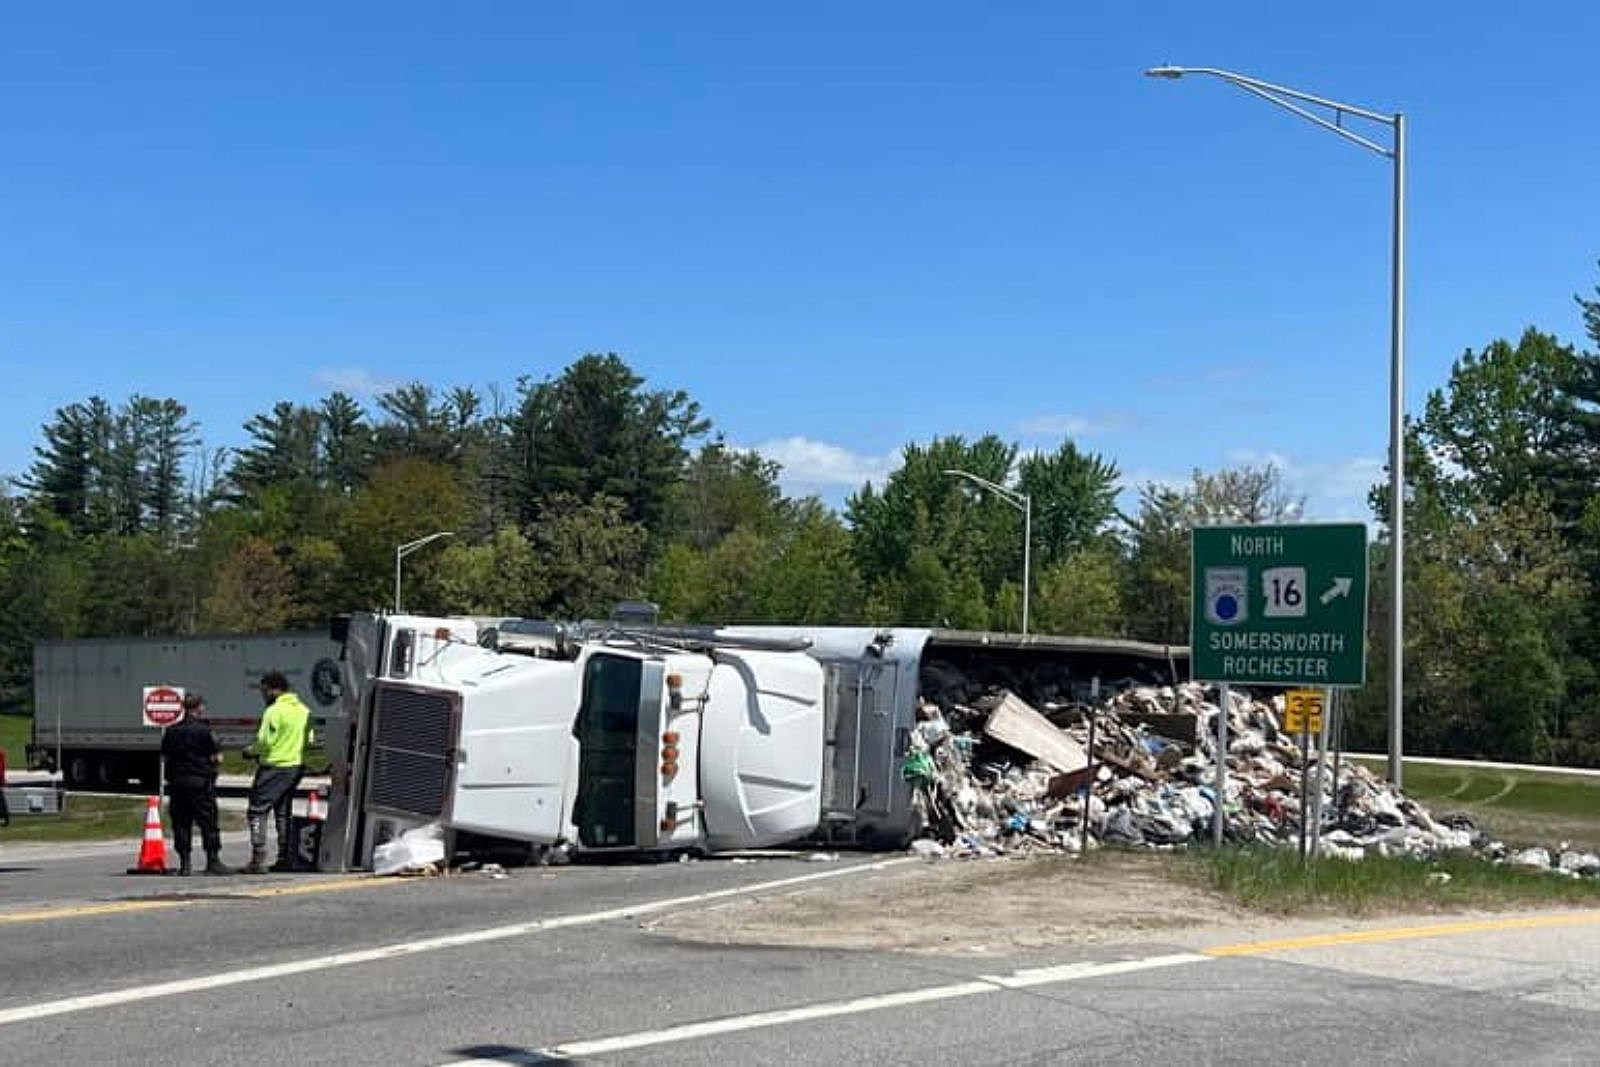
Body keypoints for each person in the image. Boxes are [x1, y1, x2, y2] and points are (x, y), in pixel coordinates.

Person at [243, 670, 310, 874]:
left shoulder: (274, 711)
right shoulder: (303, 710)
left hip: (273, 766)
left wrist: (250, 751)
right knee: (283, 812)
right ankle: (285, 856)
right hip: (295, 766)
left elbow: (265, 741)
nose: (263, 696)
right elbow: (310, 739)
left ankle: (258, 856)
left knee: (257, 809)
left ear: (274, 690)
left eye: (264, 691)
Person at [161, 693, 229, 875]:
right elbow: (217, 756)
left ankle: (185, 864)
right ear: (198, 708)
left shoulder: (171, 730)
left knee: (181, 823)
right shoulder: (205, 731)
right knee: (208, 822)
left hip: (177, 782)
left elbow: (165, 756)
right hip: (200, 782)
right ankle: (212, 861)